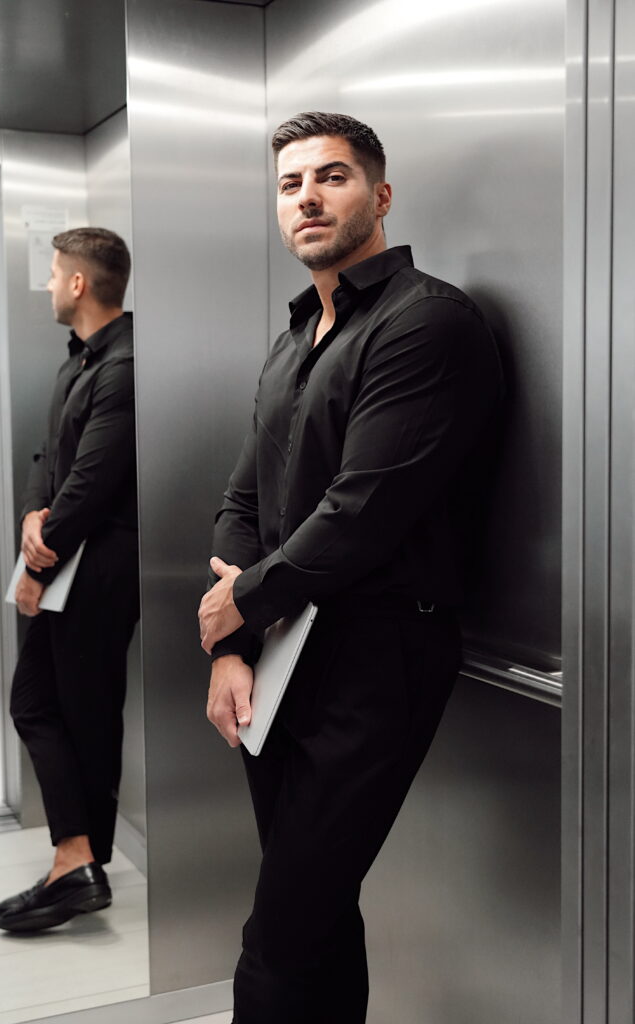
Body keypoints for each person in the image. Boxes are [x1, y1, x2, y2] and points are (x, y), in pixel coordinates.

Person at [198, 112, 504, 1023]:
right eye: (289, 185)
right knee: (318, 918)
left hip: (377, 655)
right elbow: (242, 499)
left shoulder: (427, 321)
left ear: (380, 194)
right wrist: (230, 646)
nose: (307, 199)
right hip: (280, 651)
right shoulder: (294, 338)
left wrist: (239, 604)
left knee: (279, 934)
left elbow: (361, 512)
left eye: (331, 177)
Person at [0, 228, 139, 933]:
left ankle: (77, 864)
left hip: (99, 574)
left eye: (55, 274)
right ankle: (76, 860)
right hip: (68, 565)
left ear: (79, 284)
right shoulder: (80, 361)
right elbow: (47, 459)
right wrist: (30, 513)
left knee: (82, 713)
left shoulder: (125, 365)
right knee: (42, 705)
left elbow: (91, 485)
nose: (49, 285)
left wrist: (35, 565)